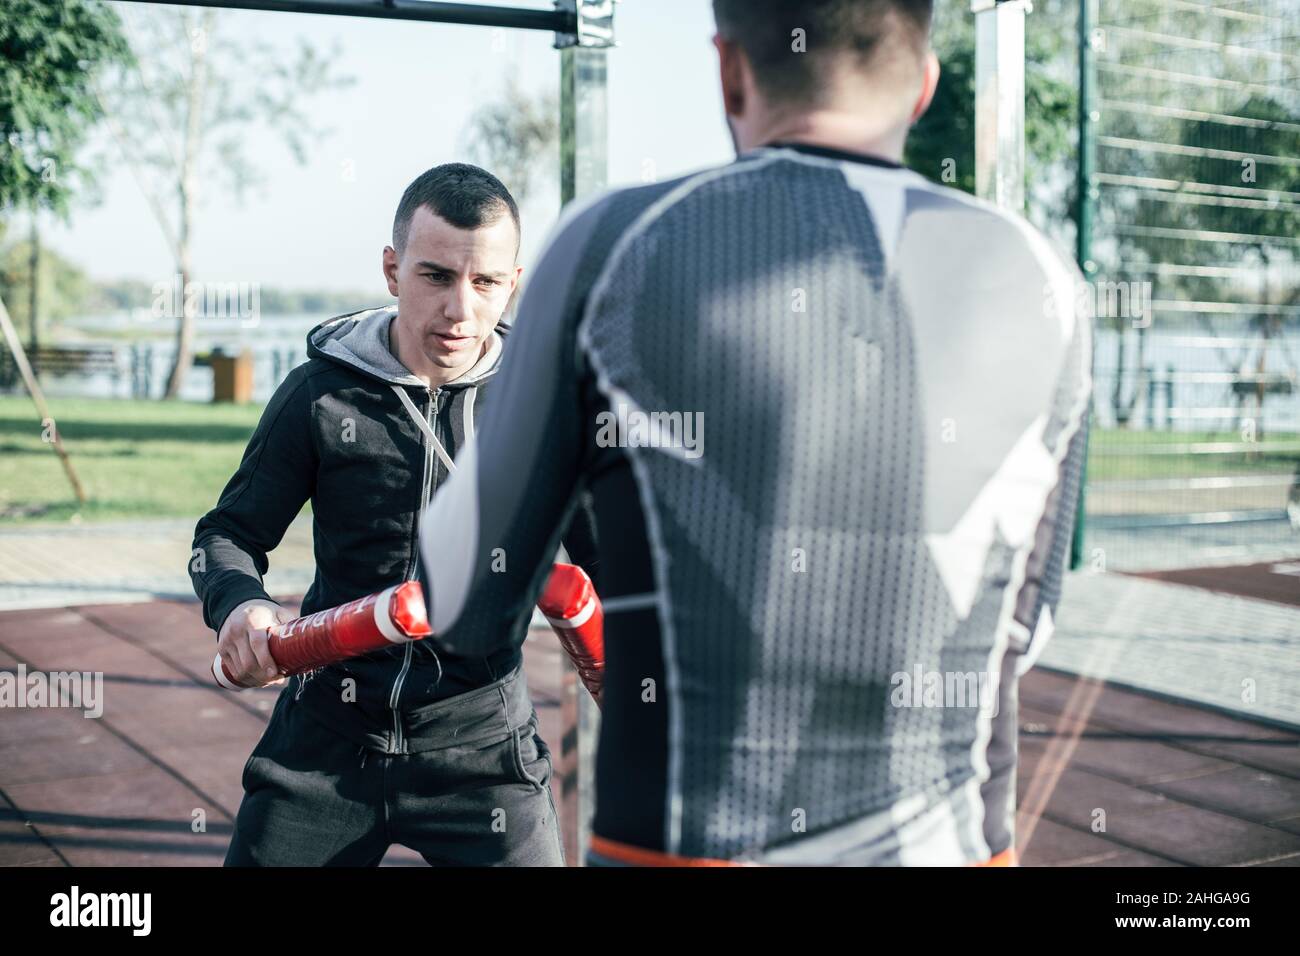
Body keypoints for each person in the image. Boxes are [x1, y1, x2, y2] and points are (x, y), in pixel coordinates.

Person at [415, 0, 1092, 866]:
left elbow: (465, 598)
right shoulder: (1051, 285)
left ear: (728, 70)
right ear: (923, 85)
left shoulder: (611, 243)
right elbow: (1025, 629)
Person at [191, 163, 588, 866]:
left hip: (483, 753)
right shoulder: (320, 394)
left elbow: (611, 564)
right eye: (435, 276)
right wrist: (240, 606)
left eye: (486, 282)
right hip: (324, 742)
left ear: (513, 282)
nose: (461, 309)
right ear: (391, 269)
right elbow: (227, 534)